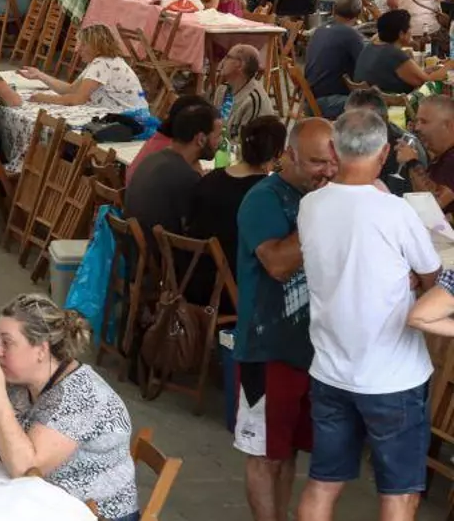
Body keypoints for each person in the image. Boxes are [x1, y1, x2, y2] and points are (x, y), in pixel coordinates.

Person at [295, 109, 440, 521]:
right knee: (399, 495)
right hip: (392, 377)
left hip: (330, 370)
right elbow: (433, 279)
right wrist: (410, 278)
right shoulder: (395, 211)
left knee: (323, 483)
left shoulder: (310, 206)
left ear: (334, 149)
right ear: (384, 153)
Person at [0, 293, 137, 519]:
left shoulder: (81, 396)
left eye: (7, 342)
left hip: (91, 514)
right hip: (38, 502)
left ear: (41, 350)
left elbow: (25, 470)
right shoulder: (19, 378)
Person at [232, 118, 336, 521]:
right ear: (289, 155)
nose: (328, 172)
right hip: (267, 346)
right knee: (264, 454)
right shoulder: (264, 198)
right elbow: (277, 264)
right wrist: (319, 214)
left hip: (312, 348)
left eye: (333, 162)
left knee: (288, 448)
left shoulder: (322, 197)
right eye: (317, 162)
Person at [180, 115, 287, 304]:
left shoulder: (211, 178)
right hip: (228, 291)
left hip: (190, 280)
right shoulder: (265, 194)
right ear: (278, 153)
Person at [124, 99, 219, 234]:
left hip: (134, 243)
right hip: (160, 246)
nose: (220, 142)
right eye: (218, 136)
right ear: (201, 139)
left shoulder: (152, 159)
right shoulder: (185, 176)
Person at [20, 26, 148, 114]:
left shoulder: (102, 63)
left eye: (83, 45)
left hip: (130, 119)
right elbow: (71, 89)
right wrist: (40, 75)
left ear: (97, 47)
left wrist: (45, 98)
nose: (77, 49)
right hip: (130, 115)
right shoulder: (103, 61)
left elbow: (77, 99)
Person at [353, 9, 447, 94]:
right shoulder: (394, 54)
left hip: (364, 101)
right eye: (409, 27)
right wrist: (450, 65)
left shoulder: (371, 46)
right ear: (401, 34)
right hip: (389, 104)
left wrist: (426, 71)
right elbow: (427, 81)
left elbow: (406, 74)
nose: (411, 31)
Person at [303, 0, 365, 116]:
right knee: (374, 104)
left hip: (309, 100)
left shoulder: (319, 31)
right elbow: (367, 67)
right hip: (328, 102)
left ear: (333, 9)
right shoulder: (351, 36)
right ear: (359, 14)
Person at [213, 44, 277, 142]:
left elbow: (243, 144)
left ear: (240, 65)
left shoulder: (253, 100)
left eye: (228, 57)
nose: (222, 61)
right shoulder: (222, 90)